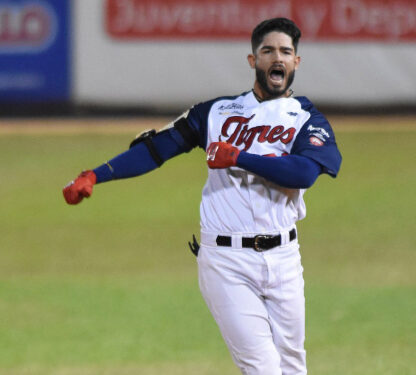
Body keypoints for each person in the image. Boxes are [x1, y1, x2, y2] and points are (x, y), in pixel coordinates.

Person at [62, 17, 342, 375]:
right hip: (226, 261)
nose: (277, 57)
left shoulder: (306, 118)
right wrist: (95, 175)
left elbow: (305, 173)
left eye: (286, 51)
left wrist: (239, 157)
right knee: (265, 370)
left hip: (285, 259)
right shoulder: (215, 113)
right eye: (267, 50)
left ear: (296, 62)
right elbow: (156, 150)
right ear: (252, 60)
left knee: (293, 368)